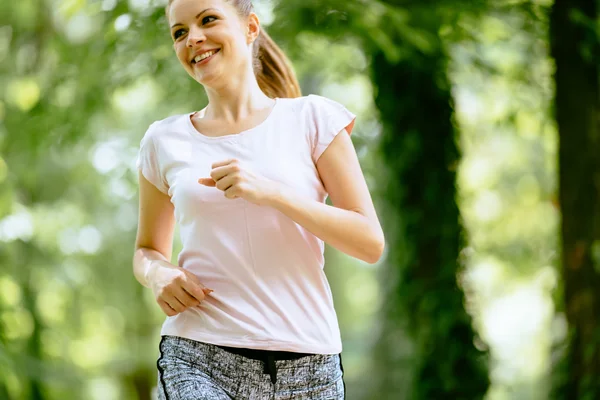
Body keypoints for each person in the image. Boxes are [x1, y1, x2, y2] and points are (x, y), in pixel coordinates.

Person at [133, 0, 385, 398]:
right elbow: (147, 249)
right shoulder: (163, 141)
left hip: (310, 367)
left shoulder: (312, 119)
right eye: (179, 32)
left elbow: (369, 242)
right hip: (199, 356)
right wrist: (158, 275)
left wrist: (272, 193)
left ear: (250, 27)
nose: (193, 38)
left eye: (207, 20)